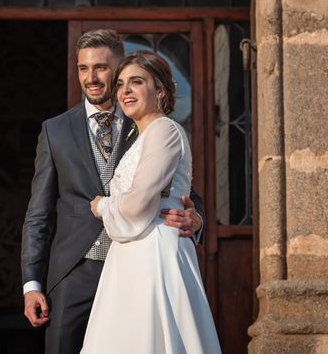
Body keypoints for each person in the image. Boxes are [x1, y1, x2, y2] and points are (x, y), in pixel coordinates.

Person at [21, 30, 204, 354]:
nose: (91, 78)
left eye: (102, 68)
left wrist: (196, 220)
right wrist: (31, 284)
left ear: (119, 67)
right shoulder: (55, 130)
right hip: (75, 272)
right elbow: (39, 212)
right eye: (83, 68)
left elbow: (183, 189)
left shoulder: (149, 123)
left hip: (138, 267)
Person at [81, 50, 221, 353]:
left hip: (154, 251)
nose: (125, 91)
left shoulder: (164, 129)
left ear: (159, 90)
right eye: (120, 84)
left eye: (136, 82)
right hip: (131, 252)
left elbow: (139, 203)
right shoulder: (139, 136)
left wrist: (102, 206)